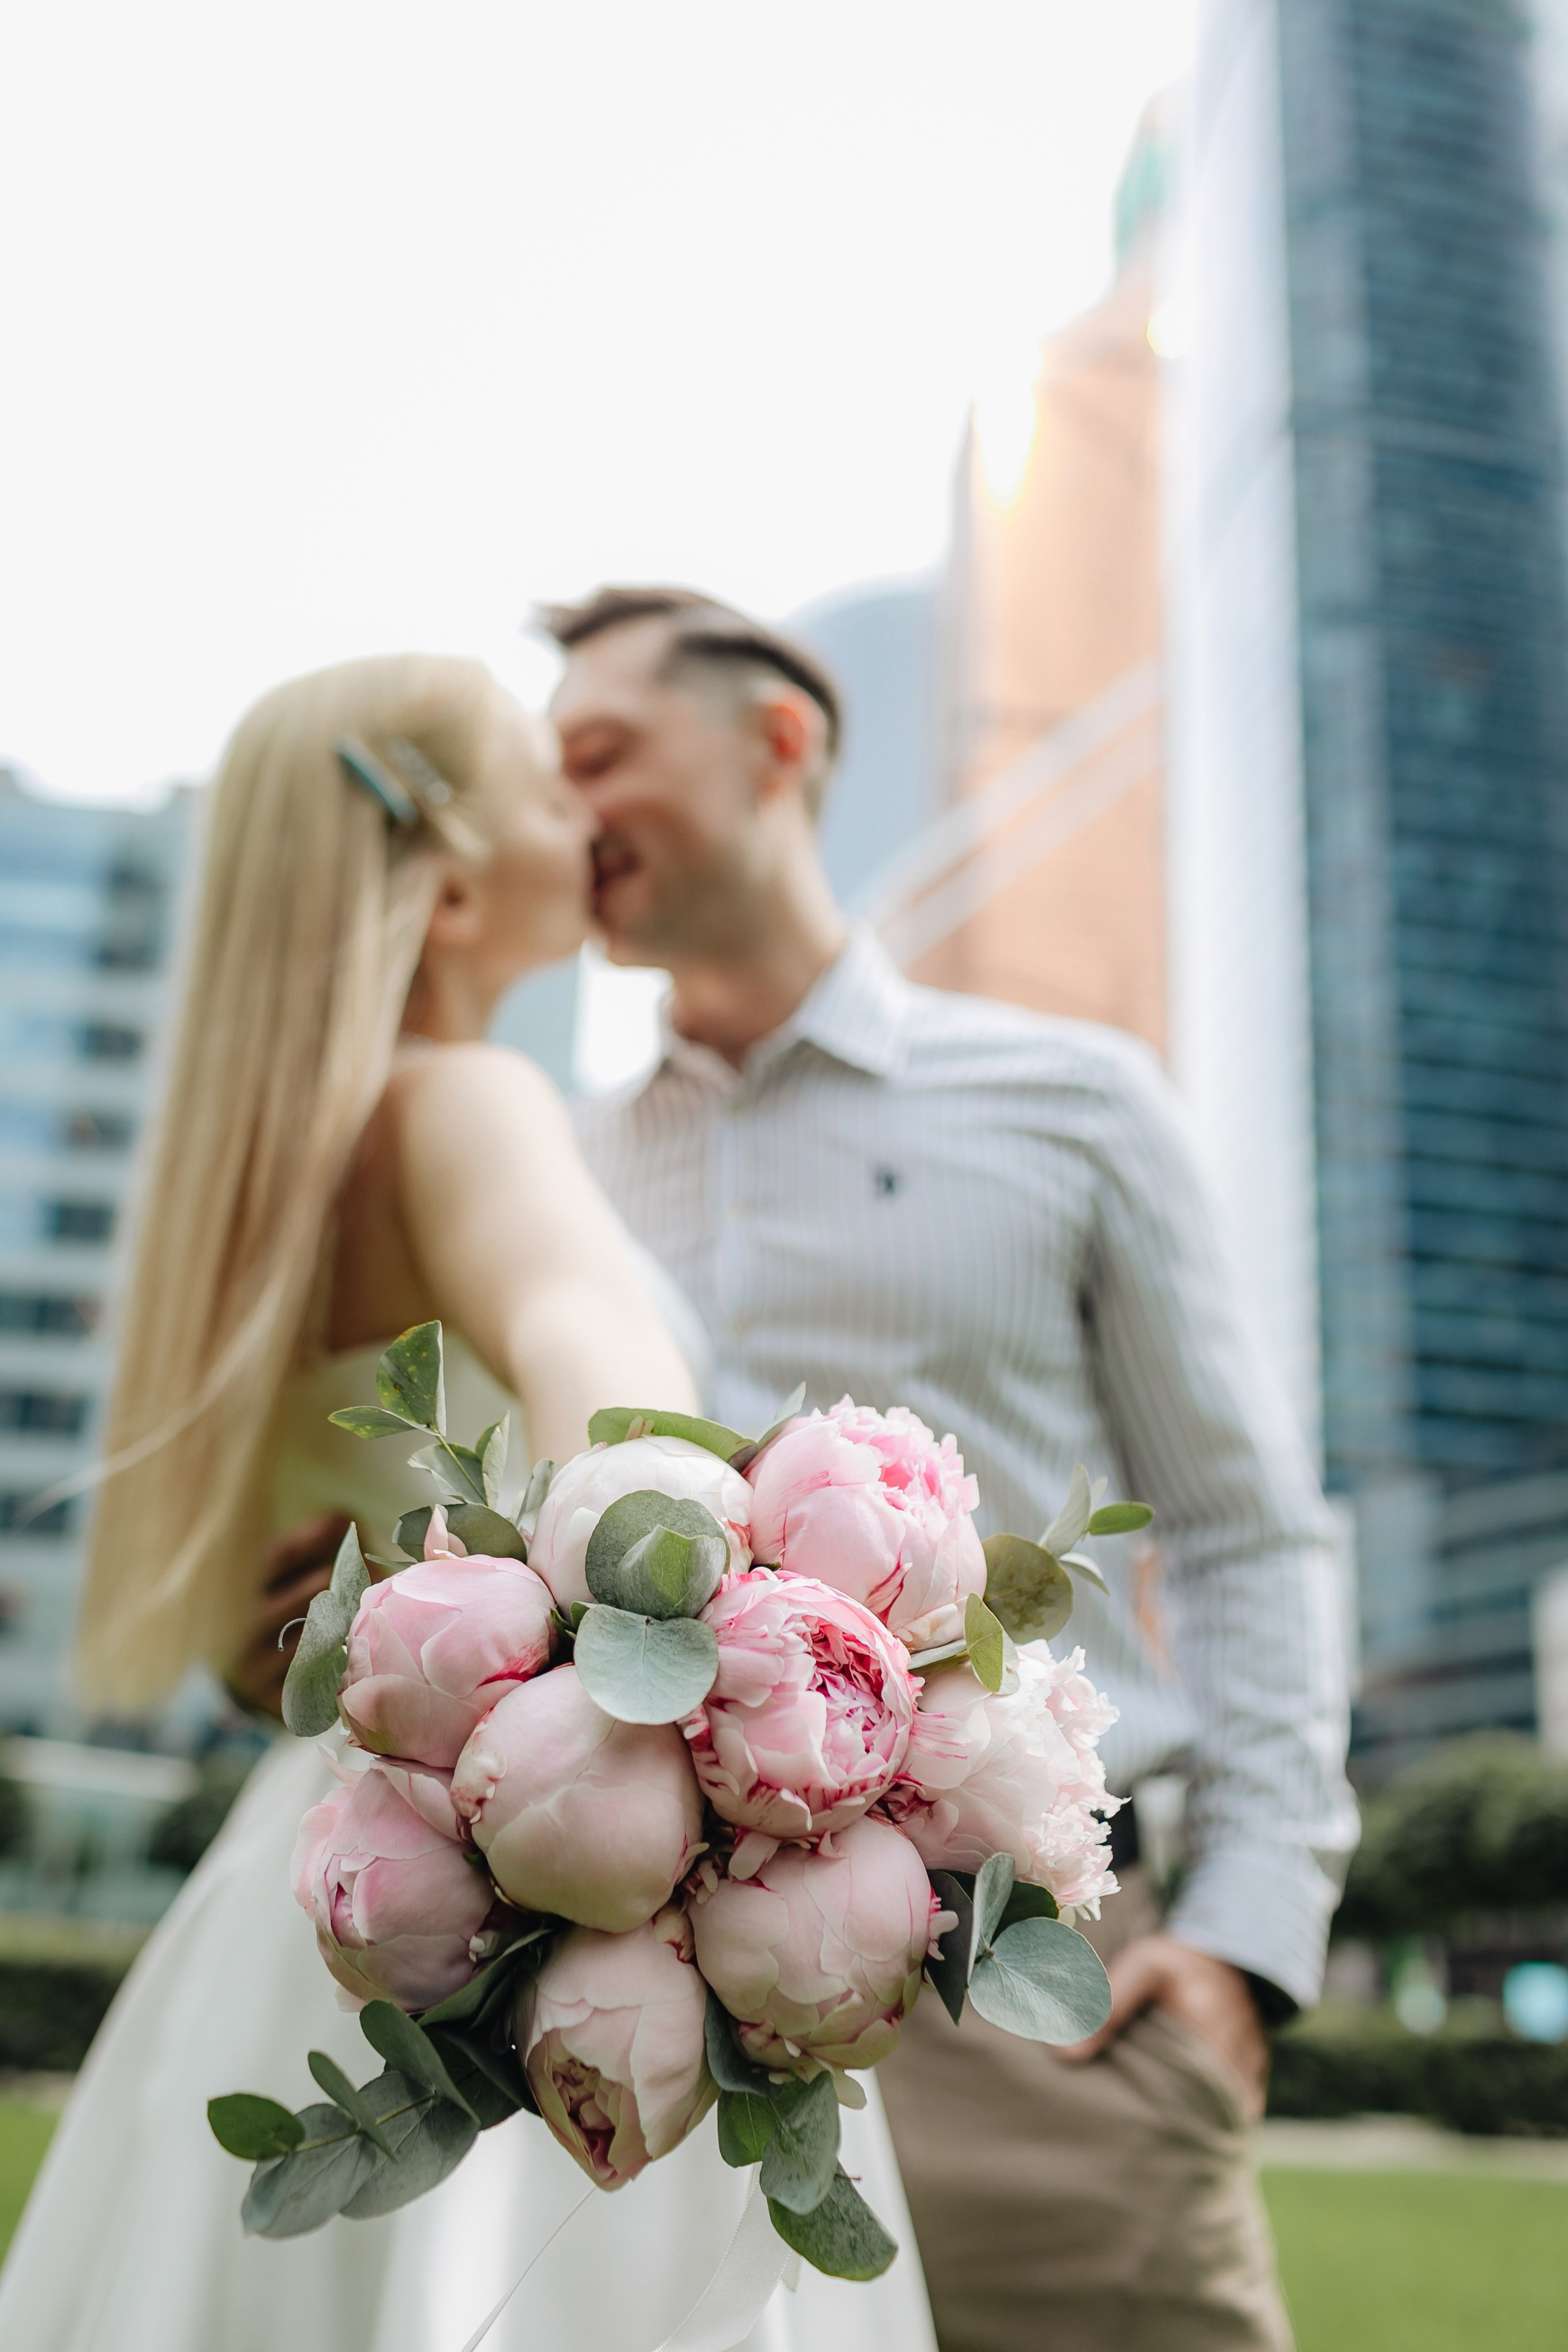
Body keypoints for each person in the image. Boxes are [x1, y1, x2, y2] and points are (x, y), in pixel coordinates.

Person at [0, 654, 933, 2352]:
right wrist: (712, 1645)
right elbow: (602, 1366)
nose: (582, 817)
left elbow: (262, 1623)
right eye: (542, 778)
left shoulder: (258, 1191)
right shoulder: (472, 1098)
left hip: (306, 1907)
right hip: (520, 1883)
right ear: (440, 880)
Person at [544, 585, 1361, 2352]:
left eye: (600, 754)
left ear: (781, 741)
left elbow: (1245, 1531)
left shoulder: (1078, 1104)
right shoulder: (545, 1171)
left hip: (1038, 2003)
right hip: (625, 2023)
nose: (561, 811)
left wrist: (1251, 1939)